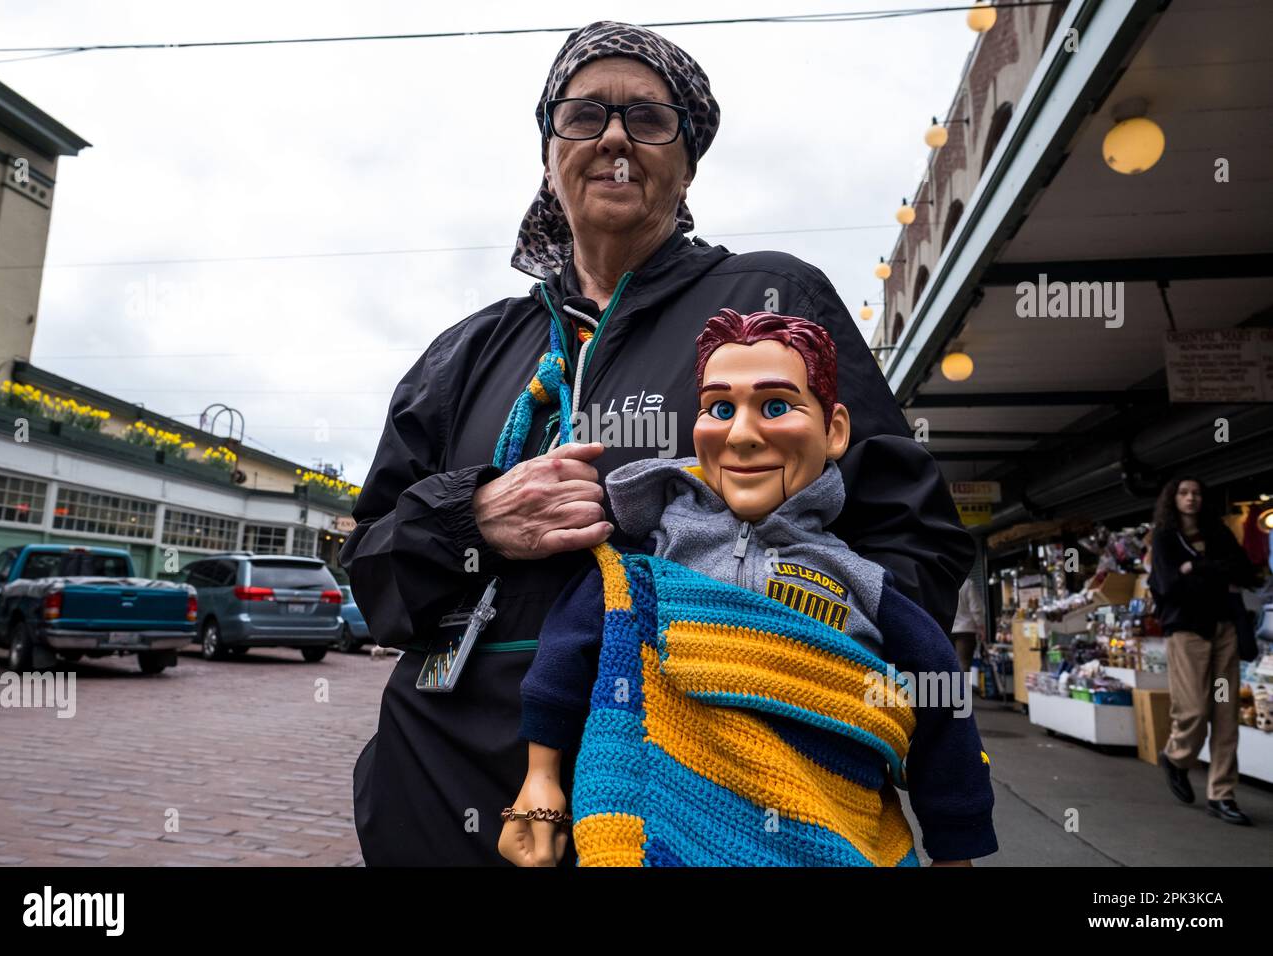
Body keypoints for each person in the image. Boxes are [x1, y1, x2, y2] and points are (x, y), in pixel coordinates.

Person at [339, 20, 975, 866]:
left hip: (708, 806)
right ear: (548, 152)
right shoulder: (465, 353)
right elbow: (370, 570)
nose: (612, 136)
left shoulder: (771, 300)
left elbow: (914, 539)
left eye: (648, 117)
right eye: (583, 114)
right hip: (442, 788)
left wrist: (787, 672)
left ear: (688, 159)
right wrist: (472, 519)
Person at [497, 311, 997, 867]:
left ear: (833, 431)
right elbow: (563, 660)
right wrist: (538, 785)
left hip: (832, 835)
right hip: (653, 833)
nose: (741, 434)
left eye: (777, 406)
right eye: (720, 408)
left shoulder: (863, 584)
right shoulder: (636, 571)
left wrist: (957, 850)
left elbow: (940, 703)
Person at [1149, 476, 1258, 826]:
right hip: (1187, 631)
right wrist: (1210, 571)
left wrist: (1195, 567)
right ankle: (1177, 758)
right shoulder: (1165, 539)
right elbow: (1167, 585)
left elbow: (1245, 571)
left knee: (1226, 716)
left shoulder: (1219, 533)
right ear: (1173, 498)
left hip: (1224, 628)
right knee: (1194, 708)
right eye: (1183, 493)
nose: (1191, 498)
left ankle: (1222, 794)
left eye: (1196, 493)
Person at [951, 577, 987, 675]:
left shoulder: (942, 584)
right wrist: (981, 628)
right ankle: (964, 690)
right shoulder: (967, 584)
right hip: (966, 630)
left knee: (949, 665)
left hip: (947, 630)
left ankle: (952, 689)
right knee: (964, 664)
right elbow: (976, 609)